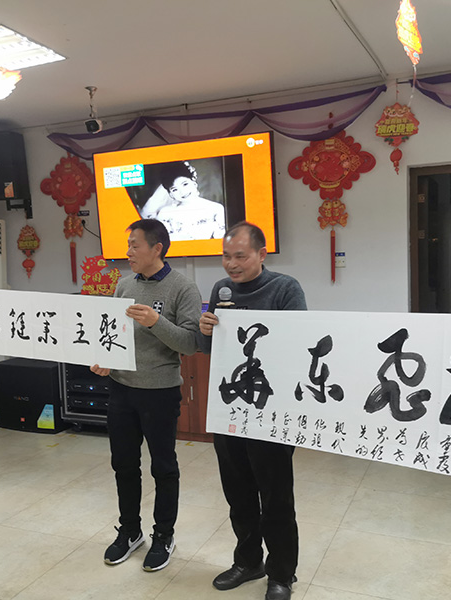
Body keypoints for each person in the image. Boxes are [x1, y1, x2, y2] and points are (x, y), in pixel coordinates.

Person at [197, 221, 306, 600]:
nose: (231, 264)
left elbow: (298, 343)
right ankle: (248, 561)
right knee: (238, 493)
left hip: (270, 411)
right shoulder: (221, 290)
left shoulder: (285, 288)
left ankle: (282, 573)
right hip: (230, 409)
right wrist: (206, 331)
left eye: (240, 256)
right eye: (226, 256)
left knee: (276, 497)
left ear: (261, 254)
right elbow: (209, 350)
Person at [91, 218, 201, 572]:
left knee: (163, 467)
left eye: (134, 245)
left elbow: (190, 343)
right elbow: (114, 335)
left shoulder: (183, 288)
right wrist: (105, 360)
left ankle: (164, 535)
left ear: (157, 248)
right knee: (123, 464)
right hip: (121, 389)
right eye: (128, 246)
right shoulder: (124, 285)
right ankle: (130, 531)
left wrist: (156, 321)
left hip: (160, 392)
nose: (128, 252)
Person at [155, 161, 226, 241]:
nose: (182, 192)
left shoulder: (216, 209)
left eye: (185, 184)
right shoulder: (165, 213)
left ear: (193, 181)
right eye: (175, 189)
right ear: (171, 194)